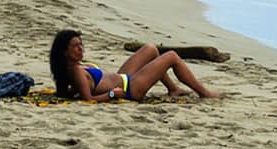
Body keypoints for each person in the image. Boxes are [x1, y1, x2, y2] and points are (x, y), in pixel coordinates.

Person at [48, 28, 218, 101]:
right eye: (76, 46)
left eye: (81, 44)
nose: (81, 49)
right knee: (172, 56)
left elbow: (74, 91)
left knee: (151, 49)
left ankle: (173, 88)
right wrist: (112, 95)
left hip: (123, 77)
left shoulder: (71, 69)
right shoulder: (75, 71)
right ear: (65, 52)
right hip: (130, 88)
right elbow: (89, 99)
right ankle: (204, 93)